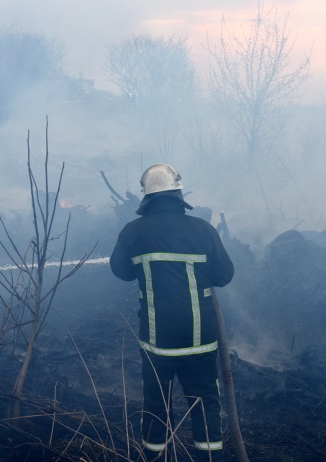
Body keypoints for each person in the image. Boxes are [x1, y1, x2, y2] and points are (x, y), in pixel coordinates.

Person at [109, 163, 234, 461]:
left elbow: (121, 271)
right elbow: (224, 276)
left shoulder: (133, 232)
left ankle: (155, 457)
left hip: (157, 344)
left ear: (146, 197)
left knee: (155, 406)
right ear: (179, 192)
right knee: (205, 404)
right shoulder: (203, 230)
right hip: (200, 342)